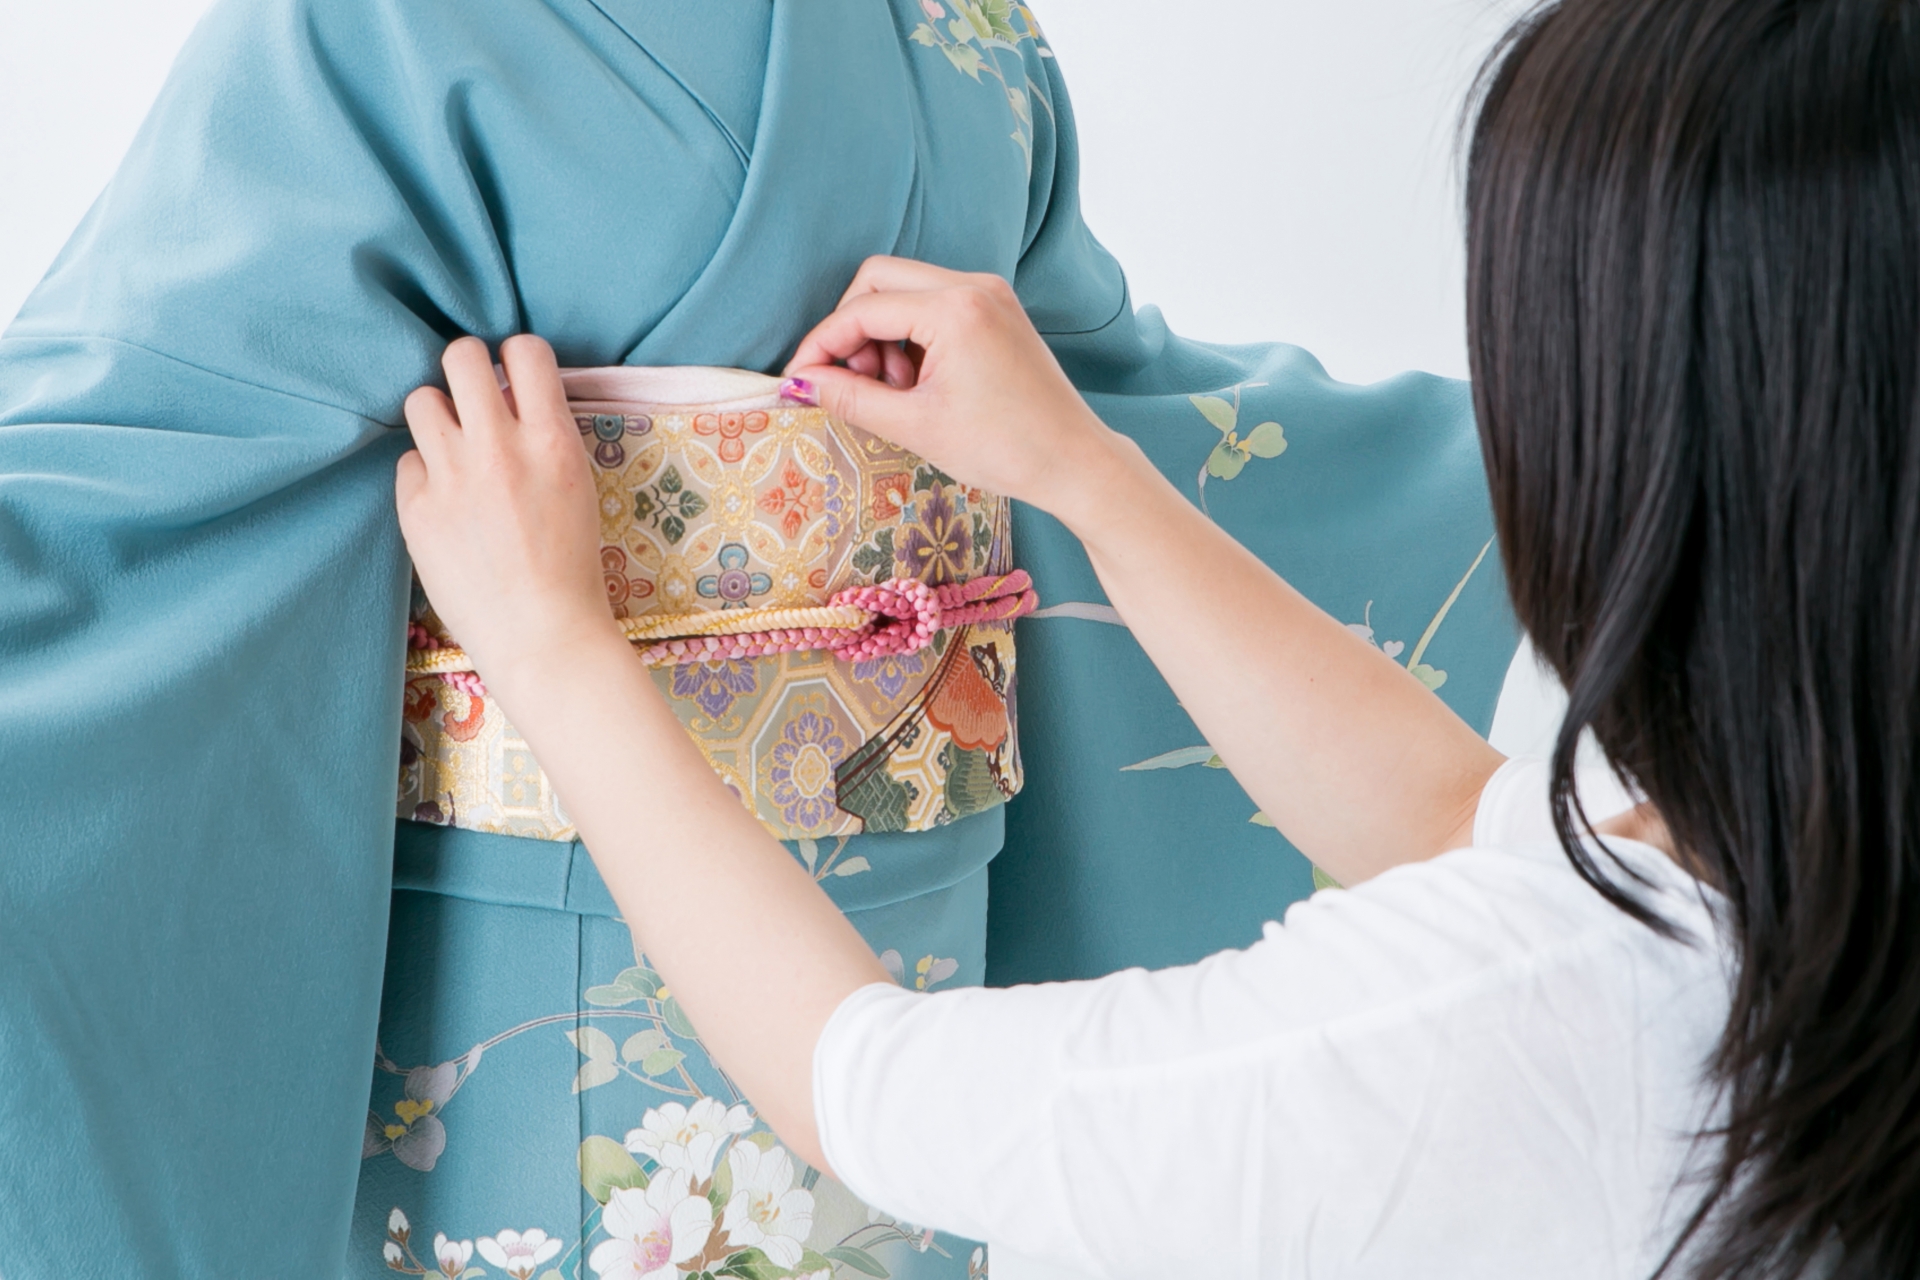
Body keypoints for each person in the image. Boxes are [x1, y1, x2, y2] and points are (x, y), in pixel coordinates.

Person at [390, 0, 1920, 1276]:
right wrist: (1081, 472)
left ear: (1642, 456)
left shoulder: (1513, 1019)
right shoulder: (1780, 883)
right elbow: (1461, 825)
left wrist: (552, 648)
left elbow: (870, 1088)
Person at [0, 1, 1514, 1275]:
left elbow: (1085, 388)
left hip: (923, 896)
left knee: (899, 1174)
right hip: (546, 916)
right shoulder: (381, 25)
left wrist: (1540, 463)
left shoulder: (962, 25)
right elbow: (158, 426)